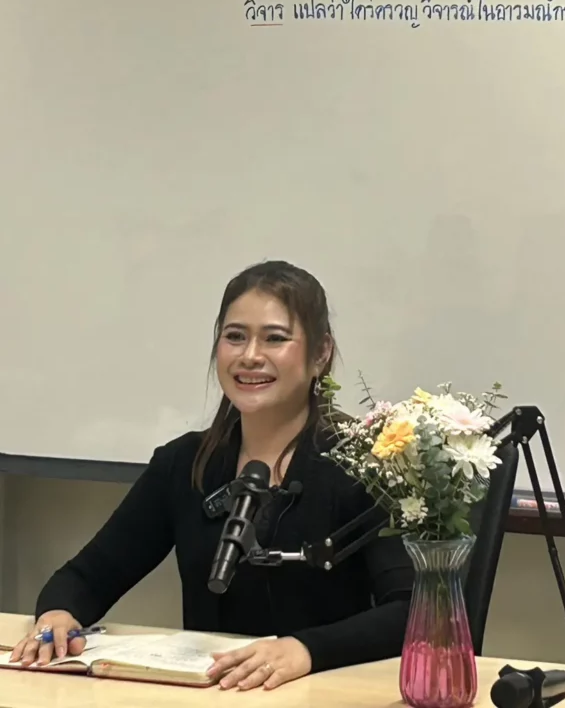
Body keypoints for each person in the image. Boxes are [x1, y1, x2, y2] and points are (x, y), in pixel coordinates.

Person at [11, 260, 414, 691]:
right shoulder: (184, 463)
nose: (250, 356)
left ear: (320, 353)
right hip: (212, 694)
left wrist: (305, 650)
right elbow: (86, 577)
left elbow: (411, 611)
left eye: (275, 338)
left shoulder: (364, 465)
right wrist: (58, 614)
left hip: (326, 693)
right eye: (235, 337)